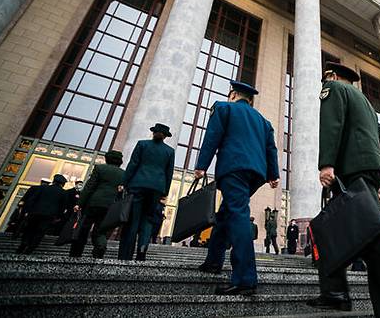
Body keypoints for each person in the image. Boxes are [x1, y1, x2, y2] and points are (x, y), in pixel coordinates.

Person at [307, 62, 380, 317]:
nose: (325, 82)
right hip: (368, 168)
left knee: (374, 238)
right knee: (350, 229)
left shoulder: (333, 89)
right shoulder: (365, 102)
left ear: (332, 76)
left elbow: (332, 125)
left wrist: (327, 163)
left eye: (326, 78)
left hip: (351, 169)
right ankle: (334, 292)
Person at [194, 80, 279, 296]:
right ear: (250, 100)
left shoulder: (224, 108)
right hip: (255, 174)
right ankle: (213, 261)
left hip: (234, 168)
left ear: (232, 94)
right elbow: (272, 149)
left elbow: (212, 137)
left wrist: (201, 165)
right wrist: (274, 175)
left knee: (238, 214)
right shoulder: (263, 121)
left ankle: (244, 278)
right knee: (226, 214)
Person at [119, 123, 175, 261]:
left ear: (153, 133)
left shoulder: (142, 144)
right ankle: (142, 249)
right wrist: (165, 192)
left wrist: (124, 182)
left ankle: (126, 253)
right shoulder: (169, 151)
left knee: (133, 220)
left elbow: (133, 164)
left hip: (138, 184)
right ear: (165, 137)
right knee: (148, 220)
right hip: (156, 188)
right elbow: (169, 173)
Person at [69, 150, 125, 258]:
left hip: (93, 203)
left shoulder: (100, 168)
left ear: (107, 158)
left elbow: (89, 187)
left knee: (83, 228)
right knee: (101, 230)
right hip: (109, 206)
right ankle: (100, 246)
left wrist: (80, 203)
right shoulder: (123, 173)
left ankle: (76, 253)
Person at [16, 174, 68, 254]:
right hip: (49, 216)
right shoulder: (63, 193)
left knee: (29, 229)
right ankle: (31, 248)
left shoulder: (42, 188)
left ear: (53, 181)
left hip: (35, 213)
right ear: (63, 184)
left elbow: (32, 200)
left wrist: (28, 211)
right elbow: (62, 207)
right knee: (40, 232)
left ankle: (23, 244)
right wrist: (58, 216)